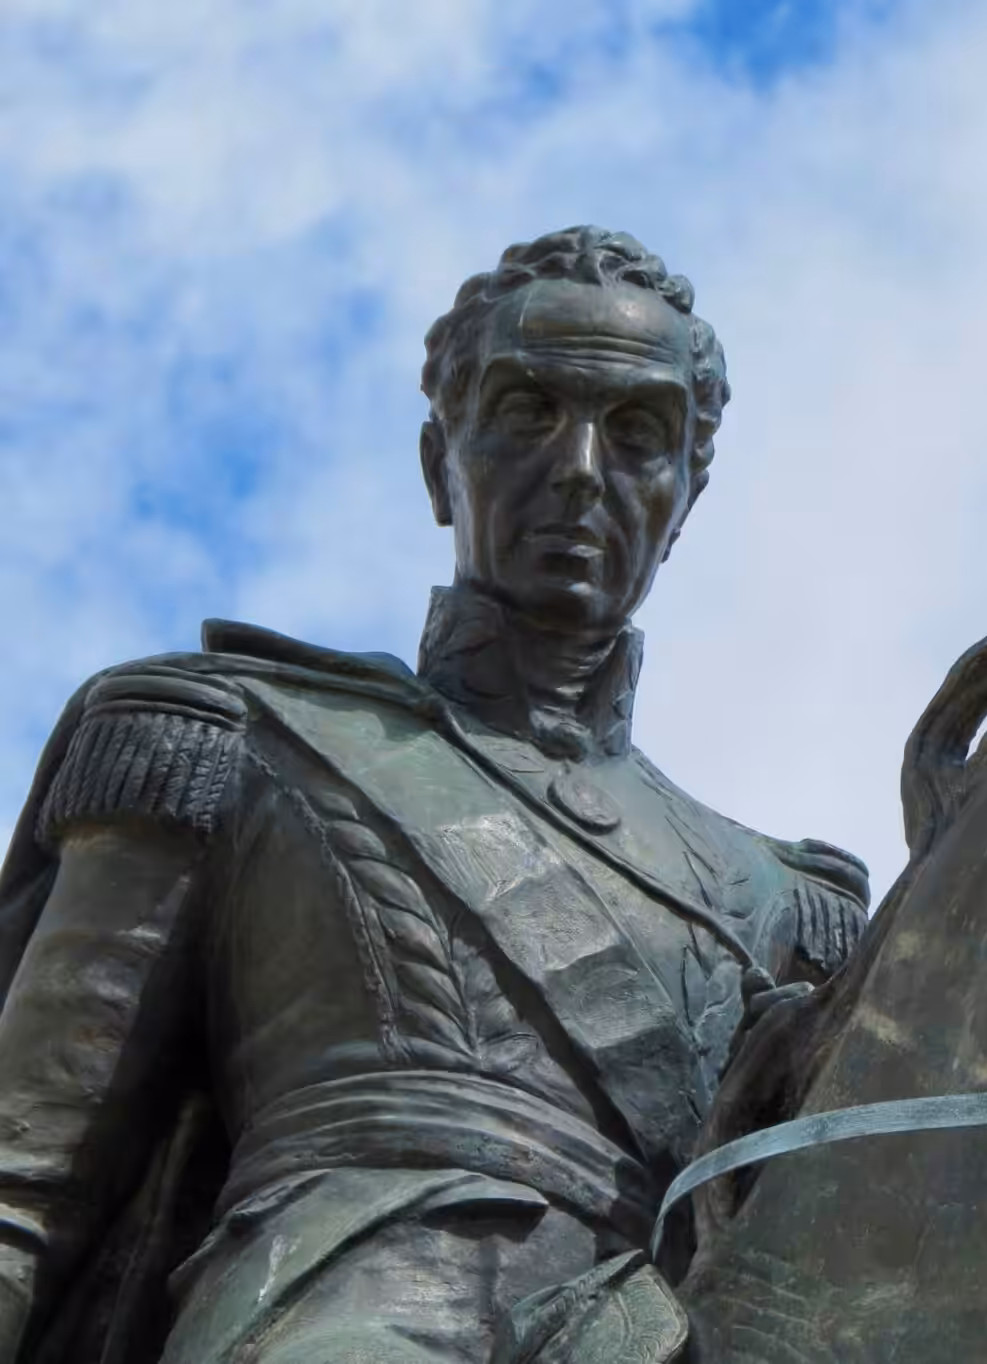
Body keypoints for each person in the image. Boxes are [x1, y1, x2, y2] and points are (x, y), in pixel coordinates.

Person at [0, 227, 868, 1362]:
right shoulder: (233, 736)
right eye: (526, 411)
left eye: (638, 433)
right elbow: (25, 1189)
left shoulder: (785, 902)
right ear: (436, 462)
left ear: (685, 493)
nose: (580, 469)